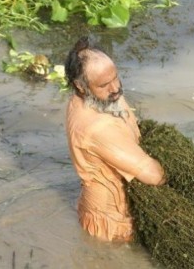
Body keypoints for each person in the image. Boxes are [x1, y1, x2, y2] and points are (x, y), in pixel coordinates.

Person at [64, 36, 166, 242]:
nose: (115, 88)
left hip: (99, 207)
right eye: (104, 85)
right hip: (110, 223)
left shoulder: (93, 98)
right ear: (80, 86)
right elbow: (153, 176)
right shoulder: (97, 128)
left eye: (115, 78)